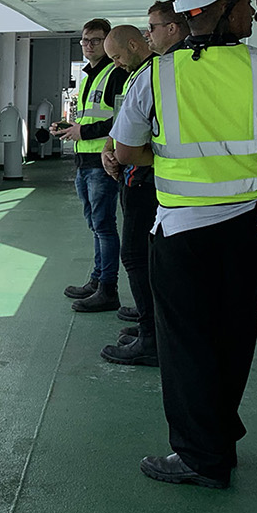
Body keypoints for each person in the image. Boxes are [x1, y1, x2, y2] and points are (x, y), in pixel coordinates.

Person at [112, 0, 257, 489]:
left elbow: (128, 149)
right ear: (222, 10)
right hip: (251, 226)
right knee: (234, 335)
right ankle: (218, 438)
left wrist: (172, 160)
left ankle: (201, 455)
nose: (252, 12)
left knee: (186, 343)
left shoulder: (155, 75)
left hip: (181, 231)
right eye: (245, 3)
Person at [51, 19, 127, 314]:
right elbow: (91, 117)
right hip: (85, 161)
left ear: (108, 43)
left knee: (104, 227)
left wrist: (82, 132)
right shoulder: (89, 77)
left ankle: (108, 288)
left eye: (95, 40)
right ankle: (97, 280)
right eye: (84, 41)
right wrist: (70, 127)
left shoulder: (115, 74)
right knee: (96, 226)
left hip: (103, 162)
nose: (88, 46)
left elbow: (120, 119)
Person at [97, 25, 158, 367]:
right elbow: (124, 121)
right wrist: (111, 147)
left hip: (146, 180)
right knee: (139, 257)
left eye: (118, 56)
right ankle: (149, 328)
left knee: (136, 256)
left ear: (134, 44)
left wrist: (123, 155)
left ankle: (151, 337)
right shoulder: (139, 76)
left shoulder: (157, 76)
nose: (117, 63)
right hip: (133, 176)